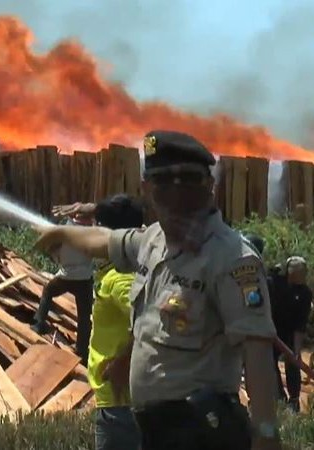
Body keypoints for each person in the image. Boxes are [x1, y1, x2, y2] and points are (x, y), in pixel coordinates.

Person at [33, 130, 281, 450]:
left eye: (188, 180)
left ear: (210, 186)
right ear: (146, 188)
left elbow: (257, 350)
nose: (176, 193)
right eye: (163, 182)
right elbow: (104, 241)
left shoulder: (232, 258)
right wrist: (62, 233)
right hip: (155, 431)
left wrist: (266, 434)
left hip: (203, 433)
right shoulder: (152, 241)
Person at [86, 194, 144, 450]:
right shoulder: (112, 272)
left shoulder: (121, 278)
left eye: (96, 228)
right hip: (116, 401)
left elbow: (149, 322)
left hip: (120, 404)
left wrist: (123, 362)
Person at [31, 211, 95, 363]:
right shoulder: (92, 234)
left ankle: (39, 323)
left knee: (48, 291)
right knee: (84, 316)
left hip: (66, 276)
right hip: (85, 279)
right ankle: (82, 350)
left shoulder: (63, 232)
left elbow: (51, 249)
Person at [269, 256, 312, 413]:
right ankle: (279, 397)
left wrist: (297, 350)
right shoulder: (274, 283)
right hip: (271, 329)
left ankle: (294, 400)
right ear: (290, 272)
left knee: (293, 360)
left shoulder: (305, 293)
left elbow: (300, 325)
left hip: (290, 332)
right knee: (270, 361)